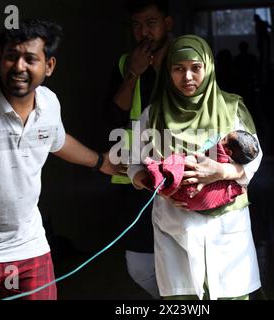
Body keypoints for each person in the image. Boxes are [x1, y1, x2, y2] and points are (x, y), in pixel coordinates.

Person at [0, 19, 121, 300]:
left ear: (49, 66)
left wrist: (100, 162)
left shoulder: (49, 103)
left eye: (30, 59)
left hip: (27, 244)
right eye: (11, 57)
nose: (19, 66)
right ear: (0, 59)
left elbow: (56, 141)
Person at [128, 34, 263, 300]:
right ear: (168, 72)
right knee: (183, 300)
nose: (187, 77)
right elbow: (132, 164)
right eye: (178, 69)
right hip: (175, 226)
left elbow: (255, 159)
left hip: (226, 224)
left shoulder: (231, 108)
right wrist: (159, 186)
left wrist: (220, 172)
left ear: (208, 67)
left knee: (231, 294)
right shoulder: (152, 115)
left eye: (195, 68)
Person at [102, 0, 173, 299]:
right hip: (135, 176)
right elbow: (114, 114)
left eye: (151, 22)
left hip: (178, 174)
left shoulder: (186, 60)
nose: (144, 31)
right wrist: (134, 72)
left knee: (182, 255)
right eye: (137, 24)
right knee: (139, 262)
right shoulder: (125, 63)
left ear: (167, 23)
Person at [144, 130, 260, 212]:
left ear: (229, 152)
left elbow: (252, 165)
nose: (221, 139)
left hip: (184, 193)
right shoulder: (238, 177)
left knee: (176, 164)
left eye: (224, 139)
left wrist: (222, 171)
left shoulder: (218, 148)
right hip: (180, 208)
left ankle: (155, 168)